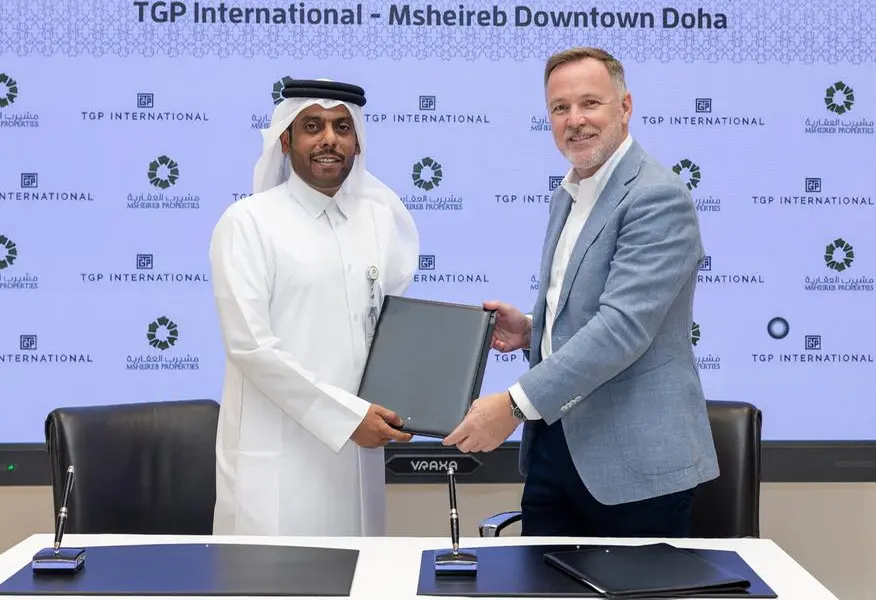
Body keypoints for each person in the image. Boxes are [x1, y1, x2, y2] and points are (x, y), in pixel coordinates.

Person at [443, 47, 719, 538]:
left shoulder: (657, 196)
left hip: (635, 467)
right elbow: (586, 308)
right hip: (555, 449)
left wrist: (512, 404)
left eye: (590, 103)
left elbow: (622, 329)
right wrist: (532, 331)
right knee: (539, 579)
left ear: (625, 107)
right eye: (560, 107)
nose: (575, 120)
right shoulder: (568, 193)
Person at [208, 78, 419, 537]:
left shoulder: (380, 221)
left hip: (359, 456)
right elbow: (250, 347)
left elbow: (391, 331)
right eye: (312, 126)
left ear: (357, 142)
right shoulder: (248, 223)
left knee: (364, 570)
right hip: (279, 464)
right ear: (286, 141)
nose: (329, 139)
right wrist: (346, 418)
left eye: (342, 127)